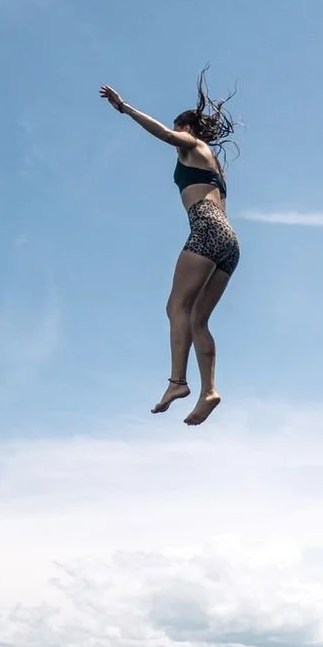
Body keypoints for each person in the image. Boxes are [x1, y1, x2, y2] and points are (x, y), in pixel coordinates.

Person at [99, 74, 239, 424]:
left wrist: (125, 108)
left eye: (180, 129)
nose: (177, 137)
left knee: (176, 306)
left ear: (187, 127)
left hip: (206, 227)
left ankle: (178, 382)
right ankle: (210, 390)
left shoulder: (192, 144)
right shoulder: (215, 164)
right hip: (229, 241)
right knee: (197, 319)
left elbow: (164, 134)